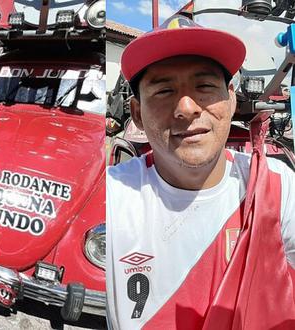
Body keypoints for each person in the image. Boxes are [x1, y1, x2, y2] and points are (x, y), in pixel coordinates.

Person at [106, 16, 295, 329]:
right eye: (164, 90)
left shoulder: (277, 187)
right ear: (137, 113)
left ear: (231, 99)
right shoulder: (113, 195)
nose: (187, 107)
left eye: (205, 86)